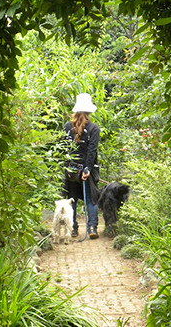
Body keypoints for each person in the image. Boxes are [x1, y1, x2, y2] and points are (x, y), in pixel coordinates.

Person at [63, 93, 100, 239]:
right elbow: (92, 151)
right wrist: (88, 169)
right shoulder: (93, 128)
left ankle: (72, 228)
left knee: (72, 199)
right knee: (91, 199)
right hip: (86, 170)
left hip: (70, 170)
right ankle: (92, 227)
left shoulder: (67, 127)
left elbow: (63, 149)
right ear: (89, 111)